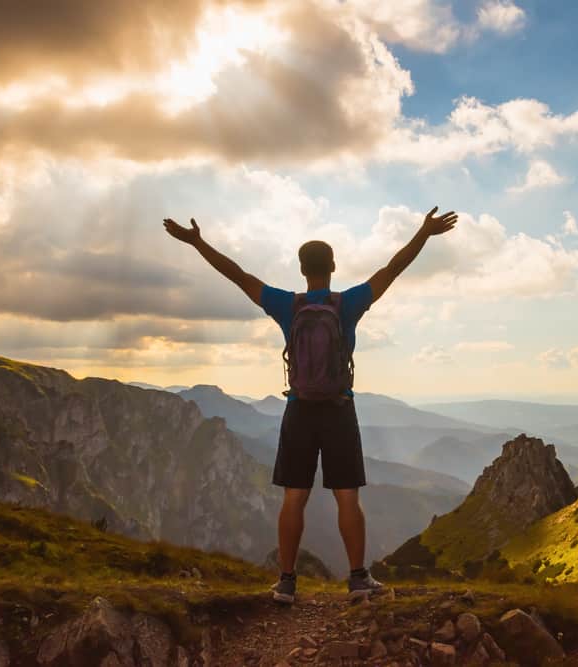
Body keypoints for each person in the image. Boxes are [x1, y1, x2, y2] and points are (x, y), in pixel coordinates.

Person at [163, 206, 458, 604]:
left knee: (294, 496)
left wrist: (198, 243)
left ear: (301, 269)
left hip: (299, 409)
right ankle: (357, 580)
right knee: (347, 496)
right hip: (339, 407)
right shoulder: (348, 304)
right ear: (333, 266)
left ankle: (286, 582)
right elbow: (392, 268)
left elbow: (237, 276)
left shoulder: (288, 306)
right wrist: (423, 233)